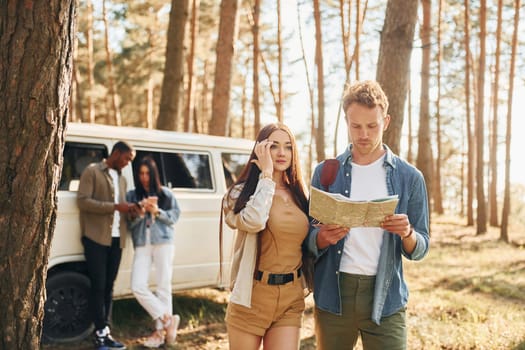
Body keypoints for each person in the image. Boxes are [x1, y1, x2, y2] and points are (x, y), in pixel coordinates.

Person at [306, 80, 430, 350]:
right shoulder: (325, 172)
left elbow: (421, 247)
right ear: (346, 121)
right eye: (356, 126)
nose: (363, 134)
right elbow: (306, 237)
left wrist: (407, 233)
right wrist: (321, 238)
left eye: (372, 126)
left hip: (387, 299)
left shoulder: (409, 177)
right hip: (334, 296)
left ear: (386, 121)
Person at [222, 123, 310, 350]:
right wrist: (267, 176)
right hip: (252, 296)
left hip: (291, 298)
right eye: (274, 146)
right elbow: (254, 220)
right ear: (261, 150)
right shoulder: (239, 193)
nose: (282, 153)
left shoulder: (301, 195)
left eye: (288, 147)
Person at [77, 141, 136, 350]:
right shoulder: (92, 171)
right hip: (95, 238)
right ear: (117, 153)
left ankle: (105, 331)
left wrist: (131, 211)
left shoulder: (121, 179)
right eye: (127, 159)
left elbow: (121, 208)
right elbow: (83, 201)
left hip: (117, 239)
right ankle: (100, 333)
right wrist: (115, 207)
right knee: (98, 286)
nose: (128, 163)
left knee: (109, 288)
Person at [126, 156, 181, 348]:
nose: (144, 177)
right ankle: (168, 320)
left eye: (147, 173)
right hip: (142, 243)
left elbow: (174, 217)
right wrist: (140, 212)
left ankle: (159, 333)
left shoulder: (165, 194)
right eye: (141, 173)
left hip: (164, 243)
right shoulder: (132, 195)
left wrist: (157, 211)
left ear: (153, 173)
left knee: (163, 286)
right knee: (137, 285)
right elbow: (129, 223)